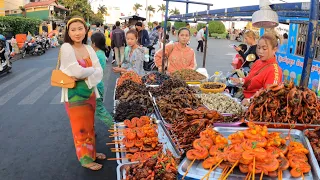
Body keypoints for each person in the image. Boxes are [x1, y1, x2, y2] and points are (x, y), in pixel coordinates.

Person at [59, 17, 104, 171]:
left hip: (90, 94)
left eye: (80, 28)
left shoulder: (89, 48)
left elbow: (100, 72)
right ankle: (85, 160)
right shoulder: (66, 48)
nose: (77, 32)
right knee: (80, 129)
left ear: (86, 30)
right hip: (75, 96)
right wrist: (89, 72)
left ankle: (92, 153)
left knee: (90, 126)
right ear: (68, 32)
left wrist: (85, 74)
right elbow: (75, 71)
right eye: (73, 29)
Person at [230, 33, 283, 105]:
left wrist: (250, 100)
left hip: (255, 106)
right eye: (258, 48)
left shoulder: (274, 71)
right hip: (244, 96)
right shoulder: (258, 62)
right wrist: (240, 80)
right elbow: (250, 78)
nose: (260, 51)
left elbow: (269, 96)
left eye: (264, 48)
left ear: (274, 50)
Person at [90, 32, 113, 127]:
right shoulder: (100, 53)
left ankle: (115, 128)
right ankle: (90, 129)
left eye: (91, 42)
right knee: (91, 109)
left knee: (99, 110)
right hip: (97, 84)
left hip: (96, 86)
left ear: (94, 43)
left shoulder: (97, 55)